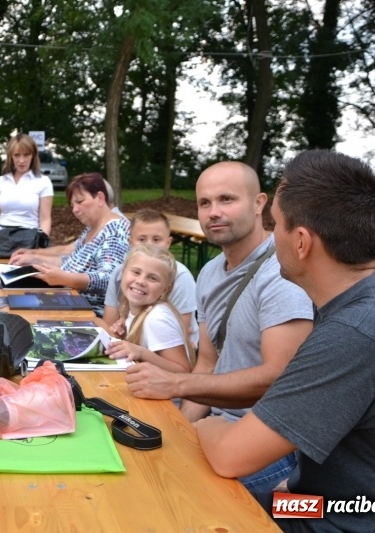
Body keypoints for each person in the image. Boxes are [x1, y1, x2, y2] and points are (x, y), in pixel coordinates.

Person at [196, 150, 375, 532]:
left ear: (302, 242)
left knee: (183, 499)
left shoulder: (356, 333)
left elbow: (229, 456)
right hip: (338, 503)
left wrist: (200, 427)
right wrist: (287, 495)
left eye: (275, 224)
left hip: (359, 518)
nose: (271, 235)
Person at [124, 161, 313, 493]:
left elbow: (279, 378)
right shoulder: (211, 273)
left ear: (259, 204)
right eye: (204, 203)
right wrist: (178, 429)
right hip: (221, 424)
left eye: (227, 199)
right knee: (140, 467)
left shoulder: (281, 273)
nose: (213, 212)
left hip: (274, 443)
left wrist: (176, 385)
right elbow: (207, 365)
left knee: (168, 491)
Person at [9, 172, 130, 315]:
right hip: (70, 299)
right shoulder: (93, 226)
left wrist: (64, 278)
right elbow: (73, 260)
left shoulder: (115, 230)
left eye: (79, 202)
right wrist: (34, 259)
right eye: (72, 205)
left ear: (100, 198)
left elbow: (108, 280)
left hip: (90, 312)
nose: (75, 210)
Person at [102, 209, 199, 346]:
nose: (149, 244)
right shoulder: (121, 273)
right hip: (130, 345)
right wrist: (120, 331)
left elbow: (180, 334)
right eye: (142, 239)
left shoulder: (181, 278)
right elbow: (109, 325)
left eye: (157, 239)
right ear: (130, 242)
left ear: (168, 242)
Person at [106, 245, 196, 374]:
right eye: (136, 272)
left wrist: (141, 353)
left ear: (166, 289)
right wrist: (124, 337)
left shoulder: (158, 318)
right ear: (123, 272)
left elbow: (182, 371)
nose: (141, 281)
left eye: (152, 278)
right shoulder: (132, 309)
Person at [0, 133, 53, 257]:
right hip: (2, 241)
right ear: (10, 156)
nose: (21, 160)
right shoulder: (1, 181)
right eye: (17, 155)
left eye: (26, 155)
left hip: (30, 240)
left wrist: (40, 248)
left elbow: (45, 219)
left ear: (33, 156)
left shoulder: (43, 181)